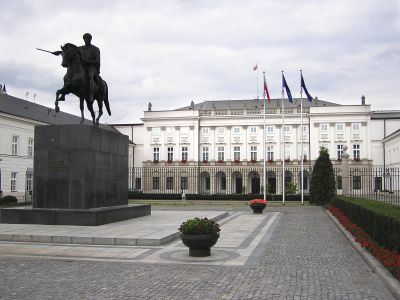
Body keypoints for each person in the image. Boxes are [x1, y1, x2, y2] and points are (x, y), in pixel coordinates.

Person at [78, 33, 101, 102]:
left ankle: (91, 95)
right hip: (82, 67)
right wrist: (60, 52)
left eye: (88, 38)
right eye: (85, 38)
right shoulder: (80, 48)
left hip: (91, 67)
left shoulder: (96, 49)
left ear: (91, 39)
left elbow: (97, 60)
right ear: (83, 39)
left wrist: (87, 62)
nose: (87, 40)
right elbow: (70, 52)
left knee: (90, 76)